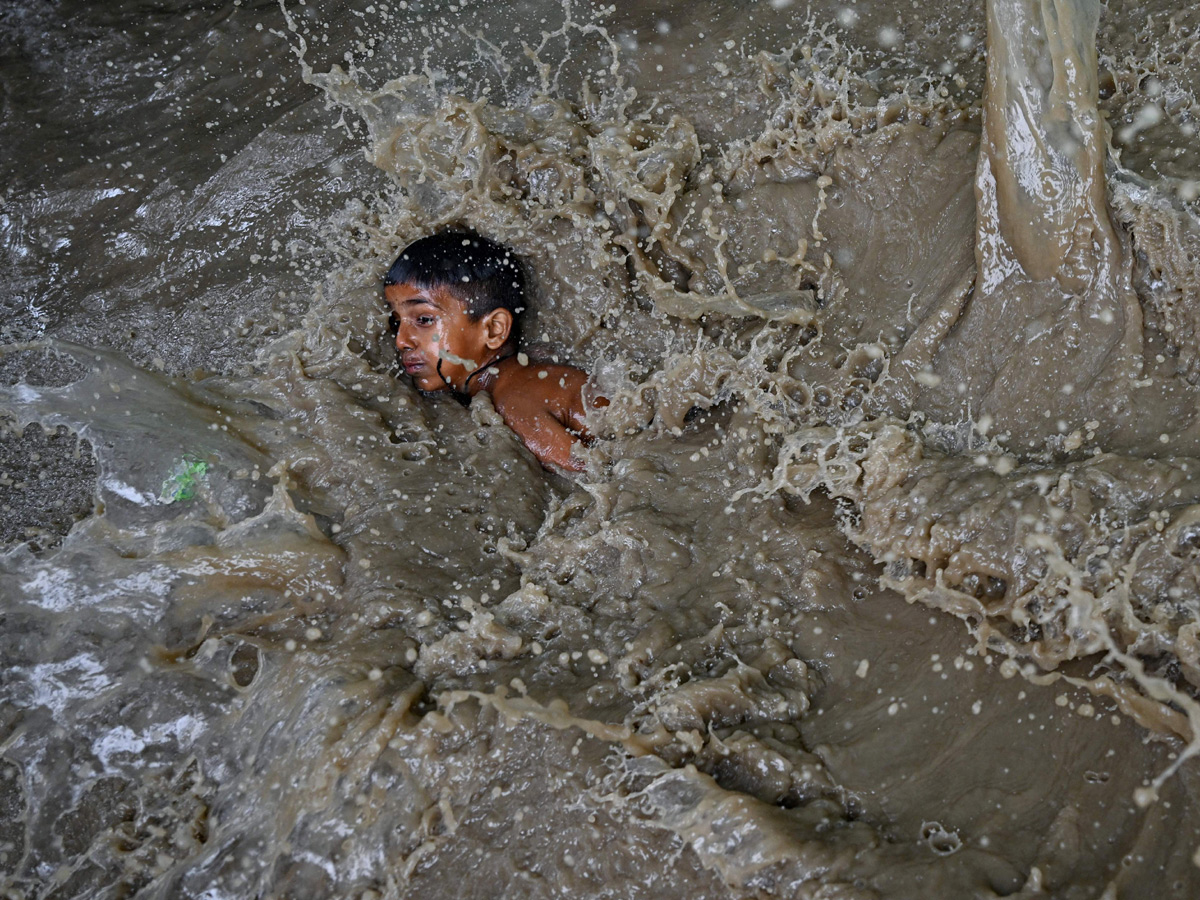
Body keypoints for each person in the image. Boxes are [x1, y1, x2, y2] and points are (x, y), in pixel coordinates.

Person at [383, 231, 604, 472]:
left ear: (493, 329)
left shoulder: (513, 403)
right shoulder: (526, 376)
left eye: (424, 319)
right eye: (396, 322)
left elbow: (593, 478)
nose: (401, 341)